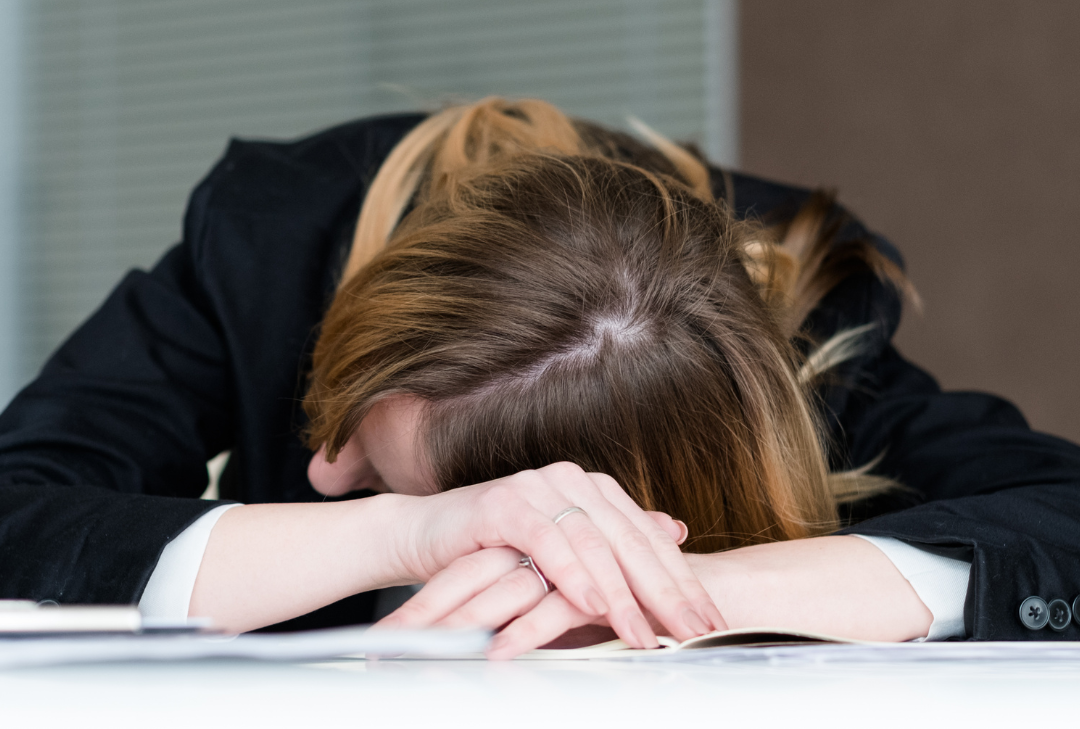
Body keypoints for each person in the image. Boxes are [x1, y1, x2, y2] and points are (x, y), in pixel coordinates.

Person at [1, 98, 1077, 659]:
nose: (322, 479)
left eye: (388, 490)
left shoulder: (792, 326)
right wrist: (397, 534)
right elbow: (18, 508)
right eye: (350, 441)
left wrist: (688, 596)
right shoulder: (271, 245)